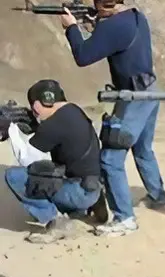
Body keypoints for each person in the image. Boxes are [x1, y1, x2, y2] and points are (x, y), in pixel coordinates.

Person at [60, 0, 165, 237]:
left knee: (110, 159)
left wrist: (71, 28)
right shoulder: (135, 16)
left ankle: (125, 218)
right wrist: (96, 24)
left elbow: (83, 55)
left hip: (133, 97)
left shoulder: (111, 26)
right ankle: (157, 195)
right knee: (143, 148)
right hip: (150, 89)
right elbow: (117, 41)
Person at [4, 79, 108, 244]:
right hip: (91, 184)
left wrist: (11, 130)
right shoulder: (73, 111)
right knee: (52, 171)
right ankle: (92, 203)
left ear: (40, 103)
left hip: (79, 191)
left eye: (33, 106)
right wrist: (33, 127)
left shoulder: (54, 124)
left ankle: (54, 222)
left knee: (15, 176)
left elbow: (26, 159)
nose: (33, 111)